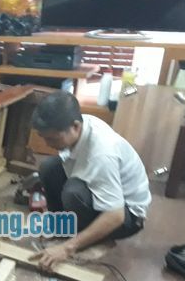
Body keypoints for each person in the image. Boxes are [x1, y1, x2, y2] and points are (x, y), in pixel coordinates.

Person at [29, 91, 152, 271]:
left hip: (128, 217)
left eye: (53, 138)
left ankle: (86, 240)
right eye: (44, 138)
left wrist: (67, 248)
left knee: (73, 192)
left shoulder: (102, 154)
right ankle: (63, 230)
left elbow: (116, 215)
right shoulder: (78, 123)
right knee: (49, 168)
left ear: (76, 126)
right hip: (109, 199)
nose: (48, 144)